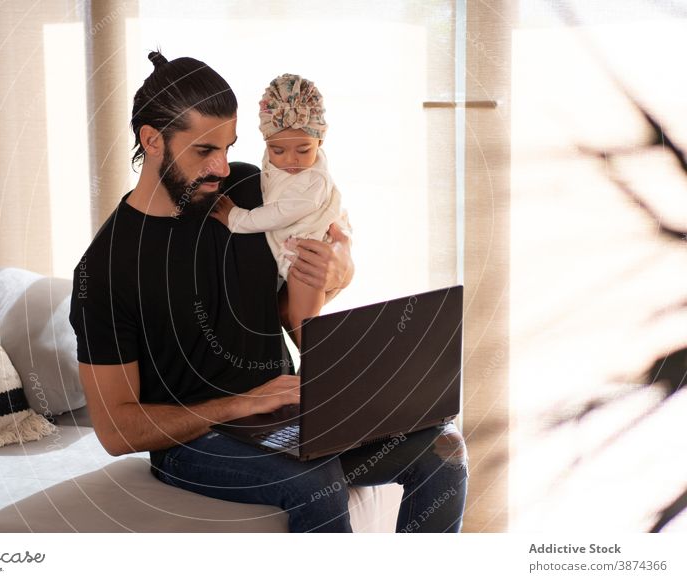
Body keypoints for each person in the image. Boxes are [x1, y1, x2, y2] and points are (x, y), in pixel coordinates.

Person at [69, 50, 468, 533]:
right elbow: (117, 429)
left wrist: (335, 268)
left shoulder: (248, 190)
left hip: (287, 410)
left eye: (228, 146)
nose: (221, 167)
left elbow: (292, 311)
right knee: (313, 479)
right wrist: (238, 404)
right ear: (152, 140)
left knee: (442, 448)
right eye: (202, 151)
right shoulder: (105, 269)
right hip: (197, 441)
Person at [211, 74, 347, 348]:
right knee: (285, 314)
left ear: (320, 140)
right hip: (288, 251)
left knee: (302, 322)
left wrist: (236, 217)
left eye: (303, 149)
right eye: (277, 150)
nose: (291, 161)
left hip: (306, 254)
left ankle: (324, 378)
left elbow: (278, 213)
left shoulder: (313, 181)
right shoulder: (271, 163)